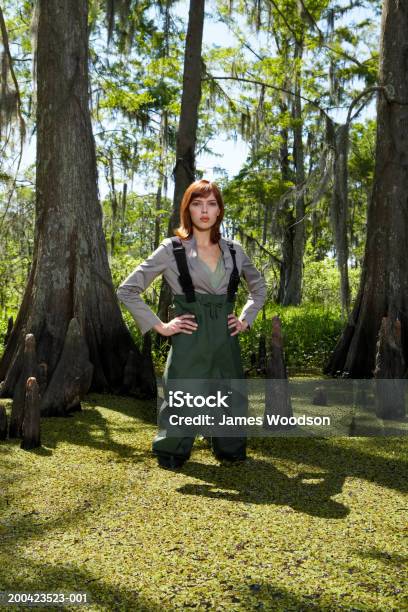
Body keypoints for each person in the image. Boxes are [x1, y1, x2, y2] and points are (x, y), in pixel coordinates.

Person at [116, 179, 267, 469]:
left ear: (220, 210)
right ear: (188, 209)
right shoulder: (171, 249)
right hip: (190, 335)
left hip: (226, 335)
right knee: (183, 396)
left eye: (211, 203)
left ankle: (230, 450)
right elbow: (127, 290)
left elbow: (258, 288)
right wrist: (161, 326)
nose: (205, 210)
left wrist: (246, 318)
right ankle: (172, 451)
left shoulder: (235, 251)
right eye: (197, 204)